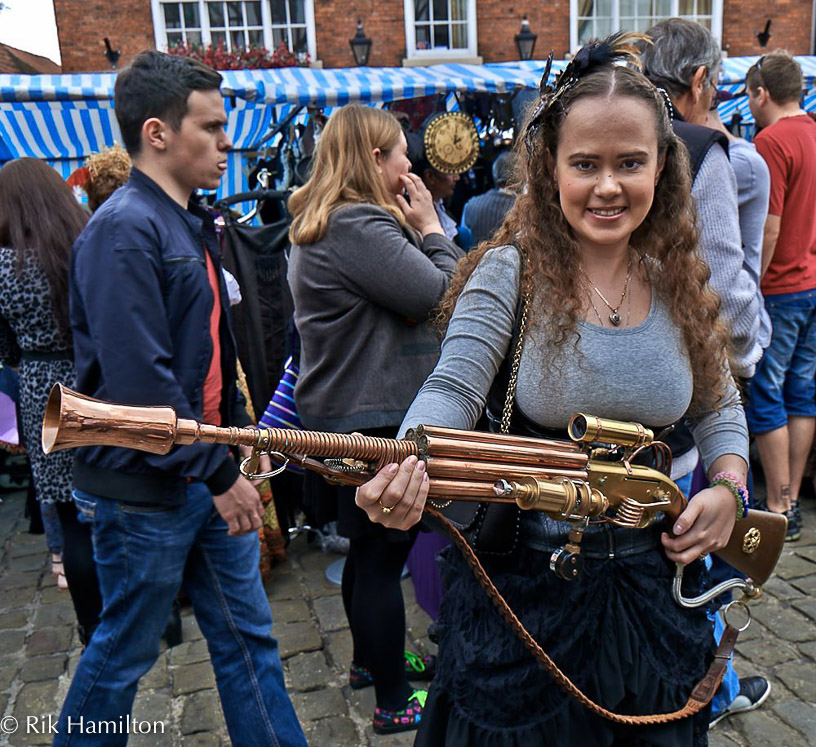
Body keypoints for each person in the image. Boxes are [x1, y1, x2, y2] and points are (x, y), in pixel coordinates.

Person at [356, 34, 748, 745]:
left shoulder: (677, 278)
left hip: (654, 589)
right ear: (550, 171)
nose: (608, 186)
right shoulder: (510, 272)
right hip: (525, 595)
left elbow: (720, 406)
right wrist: (407, 460)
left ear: (661, 167)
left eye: (630, 163)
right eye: (585, 164)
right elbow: (450, 385)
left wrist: (729, 486)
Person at [59, 51, 305, 746]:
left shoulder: (186, 220)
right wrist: (223, 474)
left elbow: (210, 359)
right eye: (212, 126)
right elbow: (141, 382)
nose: (227, 141)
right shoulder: (122, 230)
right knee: (125, 654)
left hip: (198, 472)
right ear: (159, 133)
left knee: (248, 640)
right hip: (146, 488)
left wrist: (229, 448)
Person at [287, 103, 463, 734]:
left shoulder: (325, 221)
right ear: (371, 159)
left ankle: (370, 662)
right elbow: (442, 293)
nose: (409, 163)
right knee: (384, 555)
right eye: (397, 152)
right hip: (376, 417)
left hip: (348, 413)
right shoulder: (357, 224)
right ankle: (392, 699)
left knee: (367, 552)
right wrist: (433, 227)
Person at [0, 158, 102, 638]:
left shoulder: (3, 266)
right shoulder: (85, 246)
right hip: (96, 377)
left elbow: (4, 349)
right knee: (113, 499)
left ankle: (91, 625)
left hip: (42, 387)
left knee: (69, 512)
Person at [745, 50, 816, 543]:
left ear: (761, 93)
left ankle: (778, 502)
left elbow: (768, 228)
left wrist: (754, 284)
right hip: (812, 281)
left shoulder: (771, 141)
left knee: (768, 394)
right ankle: (789, 498)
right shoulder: (814, 131)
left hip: (781, 287)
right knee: (802, 393)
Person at [461, 150, 517, 246]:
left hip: (474, 259)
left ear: (495, 174)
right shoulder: (525, 209)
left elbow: (464, 241)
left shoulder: (471, 205)